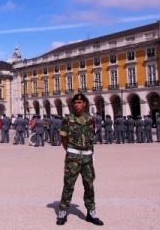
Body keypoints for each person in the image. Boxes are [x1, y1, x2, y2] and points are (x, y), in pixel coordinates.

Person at [56, 93, 104, 226]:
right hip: (73, 157)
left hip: (87, 157)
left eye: (79, 103)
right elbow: (63, 139)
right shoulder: (68, 119)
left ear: (84, 104)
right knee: (68, 185)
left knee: (89, 185)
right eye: (75, 103)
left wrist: (87, 154)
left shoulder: (90, 119)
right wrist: (73, 152)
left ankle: (91, 212)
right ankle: (63, 211)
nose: (76, 105)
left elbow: (91, 137)